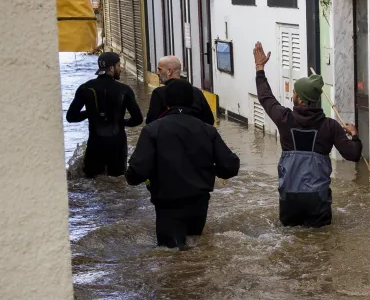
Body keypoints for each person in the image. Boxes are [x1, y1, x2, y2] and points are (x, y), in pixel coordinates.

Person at [252, 41, 362, 227]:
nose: (292, 95)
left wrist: (260, 68)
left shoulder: (284, 119)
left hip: (290, 198)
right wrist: (354, 135)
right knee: (322, 241)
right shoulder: (330, 126)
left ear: (301, 99)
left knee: (290, 240)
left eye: (294, 93)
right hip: (318, 199)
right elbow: (353, 154)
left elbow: (265, 97)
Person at [125, 79, 240, 249]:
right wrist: (210, 170)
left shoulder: (152, 130)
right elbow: (230, 166)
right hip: (199, 203)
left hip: (167, 203)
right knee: (195, 250)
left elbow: (136, 172)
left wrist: (137, 177)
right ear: (192, 101)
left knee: (171, 255)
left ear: (166, 102)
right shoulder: (207, 129)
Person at [66, 52, 143, 178]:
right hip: (117, 146)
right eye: (118, 66)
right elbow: (138, 119)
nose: (120, 69)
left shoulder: (85, 88)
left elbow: (71, 117)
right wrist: (121, 121)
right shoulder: (125, 90)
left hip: (95, 144)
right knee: (117, 181)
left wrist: (90, 112)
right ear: (111, 68)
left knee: (92, 180)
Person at [145, 55, 215, 126]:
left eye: (160, 69)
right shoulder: (197, 92)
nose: (157, 73)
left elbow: (151, 122)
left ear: (169, 71)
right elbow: (209, 121)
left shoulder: (159, 93)